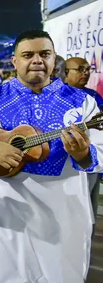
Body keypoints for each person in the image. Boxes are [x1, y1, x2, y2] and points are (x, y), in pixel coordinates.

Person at [0, 30, 103, 283]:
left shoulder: (82, 103)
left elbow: (100, 148)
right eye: (27, 55)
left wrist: (84, 153)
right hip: (3, 214)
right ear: (15, 62)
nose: (36, 60)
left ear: (55, 59)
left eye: (44, 54)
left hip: (61, 215)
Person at [64, 56, 103, 233]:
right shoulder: (58, 96)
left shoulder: (94, 97)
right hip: (65, 164)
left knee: (90, 209)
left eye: (88, 69)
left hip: (90, 159)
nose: (85, 73)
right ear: (66, 72)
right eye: (80, 69)